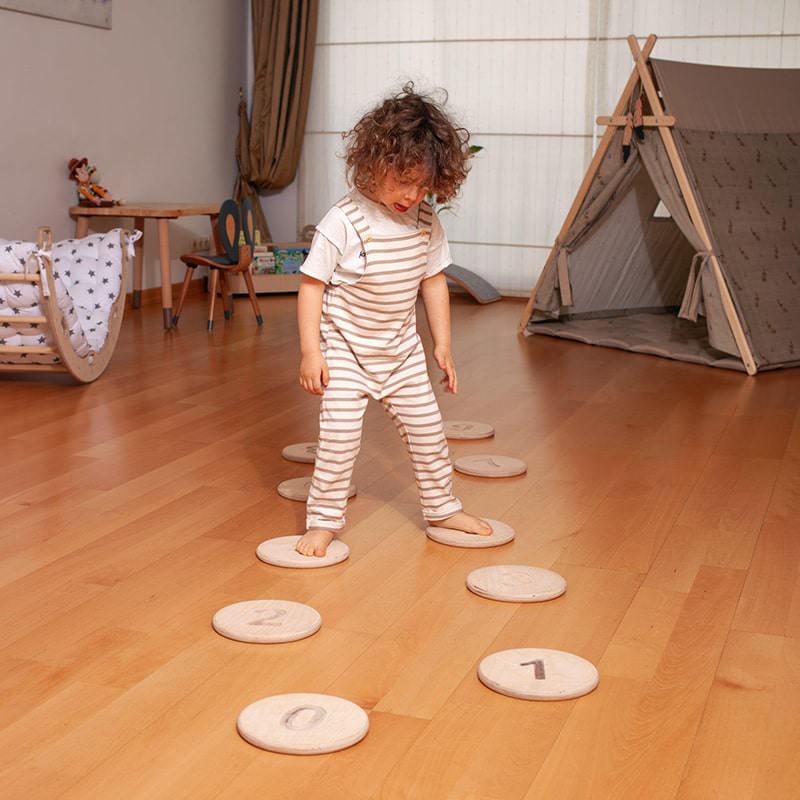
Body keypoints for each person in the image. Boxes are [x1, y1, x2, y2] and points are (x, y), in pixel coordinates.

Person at [295, 83, 491, 557]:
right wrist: (311, 352)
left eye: (423, 185)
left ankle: (442, 506)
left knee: (428, 432)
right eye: (402, 179)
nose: (411, 194)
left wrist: (441, 344)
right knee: (339, 438)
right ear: (374, 161)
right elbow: (312, 285)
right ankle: (323, 520)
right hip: (345, 351)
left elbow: (433, 281)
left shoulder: (425, 221)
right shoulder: (343, 220)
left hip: (400, 353)